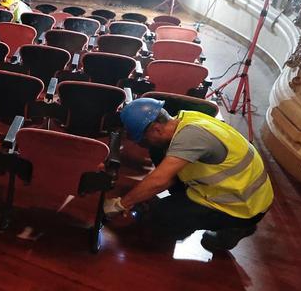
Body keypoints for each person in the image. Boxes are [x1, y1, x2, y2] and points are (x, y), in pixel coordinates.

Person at [104, 98, 273, 252]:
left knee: (162, 216)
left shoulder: (191, 138)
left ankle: (237, 228)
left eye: (143, 138)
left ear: (156, 128)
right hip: (235, 190)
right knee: (158, 150)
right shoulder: (185, 120)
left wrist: (121, 204)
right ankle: (184, 205)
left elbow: (159, 181)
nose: (142, 143)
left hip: (243, 206)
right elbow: (166, 177)